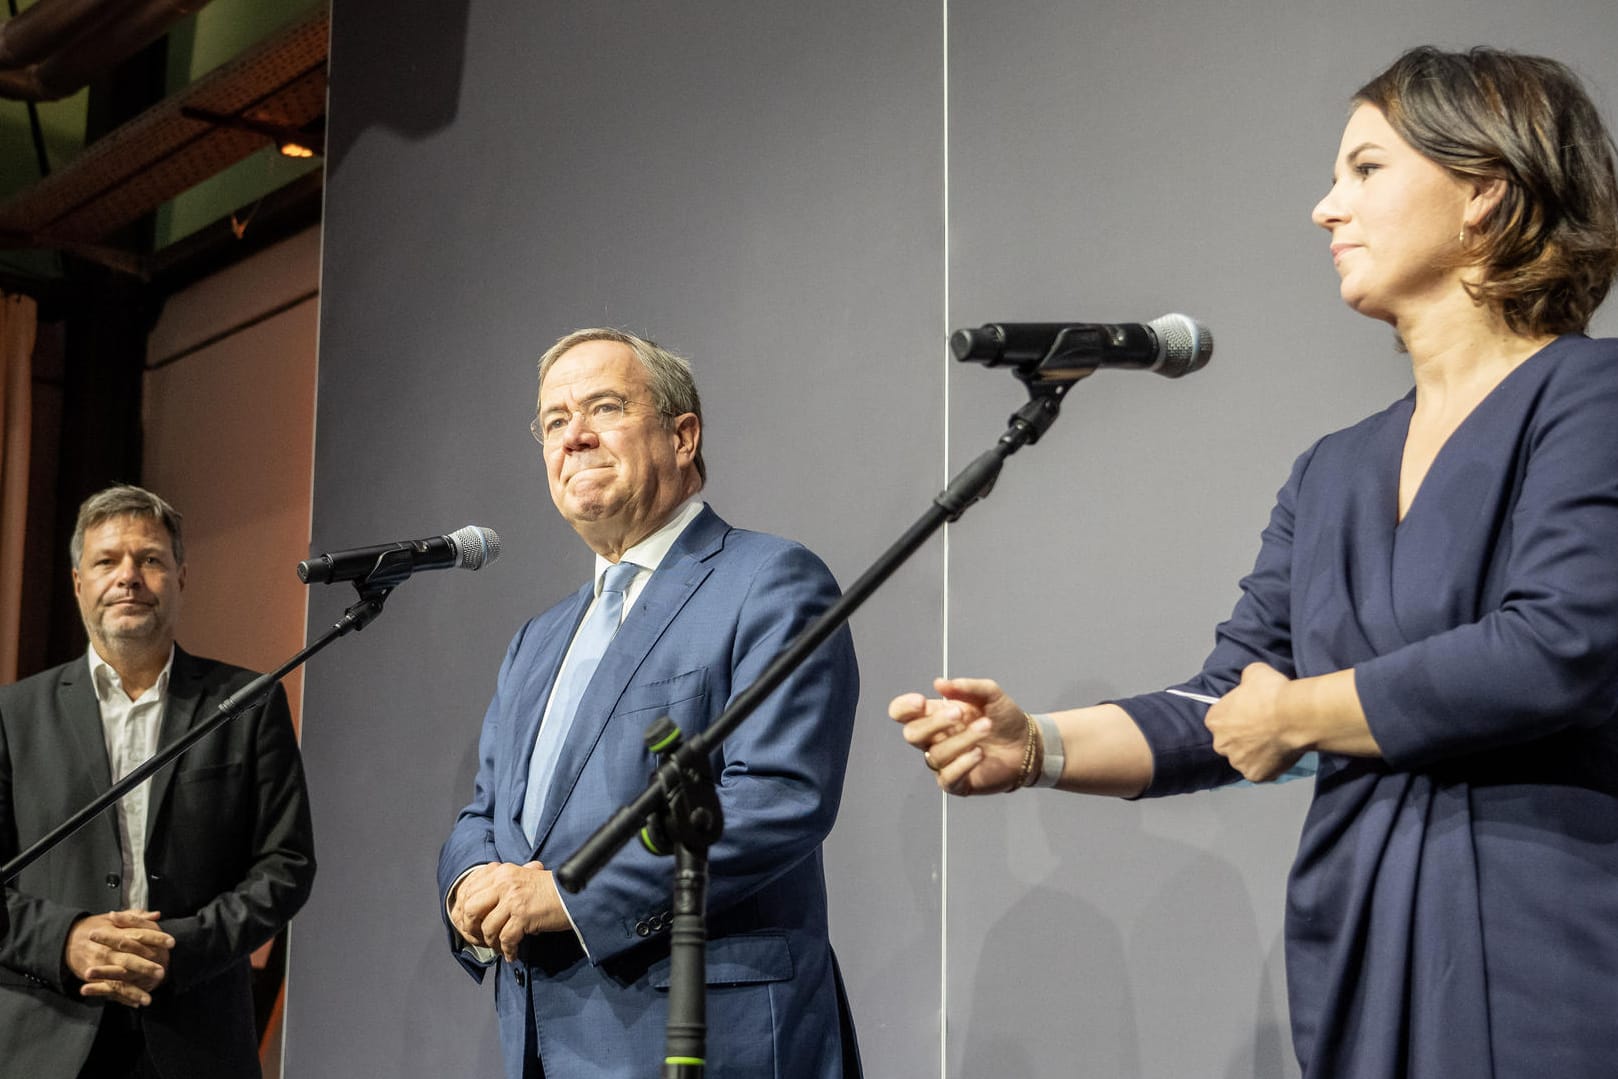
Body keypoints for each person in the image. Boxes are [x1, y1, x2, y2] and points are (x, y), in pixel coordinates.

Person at [891, 45, 1618, 1079]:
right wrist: (1035, 745)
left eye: (1365, 170)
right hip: (1360, 943)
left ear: (1485, 197)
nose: (1326, 208)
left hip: (1539, 938)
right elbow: (1226, 699)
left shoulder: (1591, 399)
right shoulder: (1332, 470)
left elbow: (1558, 645)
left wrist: (1298, 716)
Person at [438, 328, 861, 1078]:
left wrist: (565, 894)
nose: (576, 437)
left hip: (706, 1038)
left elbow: (774, 798)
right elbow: (485, 812)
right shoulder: (537, 640)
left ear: (682, 434)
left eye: (603, 407)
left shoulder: (770, 581)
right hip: (545, 1040)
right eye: (555, 420)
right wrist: (470, 881)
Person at [0, 485, 317, 1078]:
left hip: (195, 1037)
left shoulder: (245, 702)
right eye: (106, 561)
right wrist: (65, 940)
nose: (129, 577)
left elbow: (286, 865)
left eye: (149, 560)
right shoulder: (13, 716)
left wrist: (174, 949)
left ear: (181, 577)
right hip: (46, 1040)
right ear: (76, 583)